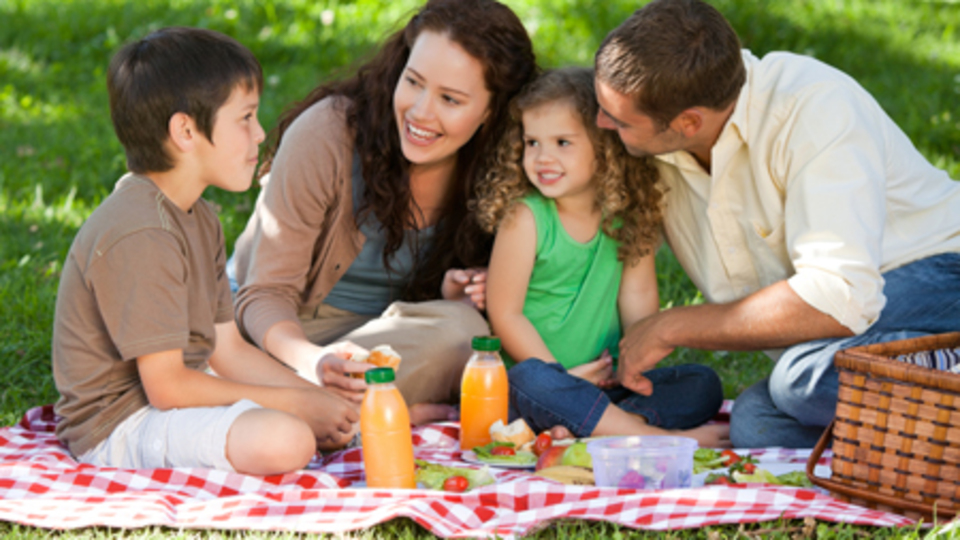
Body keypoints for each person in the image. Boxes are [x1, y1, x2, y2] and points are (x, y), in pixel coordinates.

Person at [593, 0, 960, 448]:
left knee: (800, 380)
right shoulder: (658, 140)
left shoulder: (814, 108)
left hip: (941, 275)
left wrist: (672, 325)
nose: (600, 123)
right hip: (849, 331)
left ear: (689, 122)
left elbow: (840, 296)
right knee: (759, 424)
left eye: (618, 119)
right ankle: (931, 425)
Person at [51, 27, 359, 475]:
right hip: (119, 423)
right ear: (186, 131)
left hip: (179, 393)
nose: (259, 134)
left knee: (315, 414)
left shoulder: (199, 216)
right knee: (287, 437)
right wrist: (296, 403)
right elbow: (167, 388)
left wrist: (313, 396)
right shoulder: (142, 232)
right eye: (245, 118)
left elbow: (226, 349)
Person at [231, 0, 537, 422]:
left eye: (450, 99)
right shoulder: (327, 135)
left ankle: (316, 411)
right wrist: (314, 362)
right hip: (279, 334)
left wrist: (463, 293)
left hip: (384, 343)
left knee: (464, 333)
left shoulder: (506, 171)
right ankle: (366, 411)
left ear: (491, 111)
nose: (420, 112)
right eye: (413, 82)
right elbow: (262, 294)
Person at [477, 67, 729, 448]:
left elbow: (638, 299)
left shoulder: (627, 215)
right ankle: (655, 438)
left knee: (701, 384)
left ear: (605, 147)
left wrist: (635, 369)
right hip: (541, 390)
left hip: (606, 386)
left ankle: (606, 427)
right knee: (529, 380)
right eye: (532, 142)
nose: (542, 157)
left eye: (562, 142)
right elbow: (505, 314)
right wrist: (562, 377)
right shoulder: (525, 217)